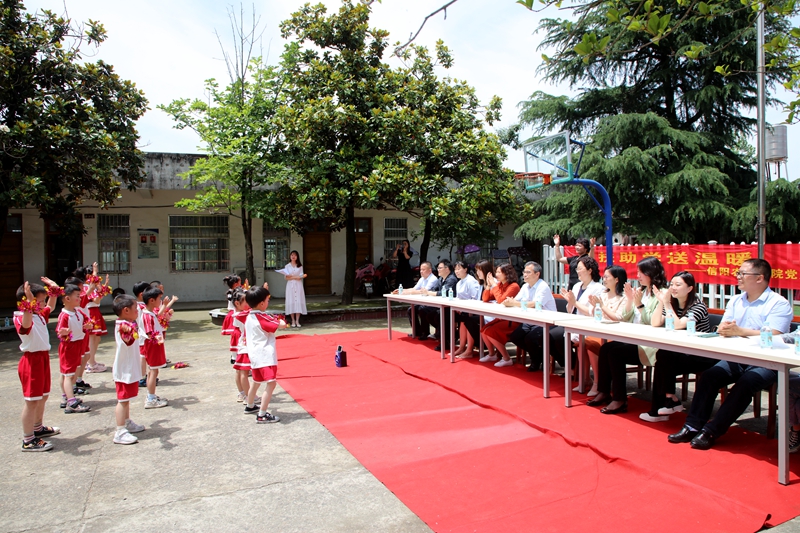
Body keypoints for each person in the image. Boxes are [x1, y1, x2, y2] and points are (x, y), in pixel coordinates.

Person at [668, 258, 793, 450]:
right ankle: (692, 426)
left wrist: (740, 331)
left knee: (746, 383)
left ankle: (711, 431)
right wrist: (724, 329)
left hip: (767, 361)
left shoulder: (778, 303)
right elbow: (724, 326)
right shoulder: (736, 300)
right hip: (736, 356)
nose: (738, 277)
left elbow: (775, 334)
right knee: (710, 376)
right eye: (738, 273)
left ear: (759, 278)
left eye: (742, 273)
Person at [589, 257, 668, 412]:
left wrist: (639, 304)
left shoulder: (662, 294)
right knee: (606, 349)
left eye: (641, 272)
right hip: (635, 338)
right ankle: (604, 391)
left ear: (651, 273)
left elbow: (653, 322)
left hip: (650, 343)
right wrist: (631, 300)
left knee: (615, 353)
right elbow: (626, 316)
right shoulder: (641, 291)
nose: (638, 276)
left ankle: (619, 399)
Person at [638, 271, 713, 422]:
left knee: (664, 358)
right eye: (671, 284)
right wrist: (661, 302)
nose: (673, 288)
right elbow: (655, 322)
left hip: (701, 355)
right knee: (663, 357)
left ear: (690, 288)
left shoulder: (698, 306)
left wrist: (666, 304)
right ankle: (668, 400)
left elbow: (678, 325)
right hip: (680, 352)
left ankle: (663, 406)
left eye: (678, 285)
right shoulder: (672, 304)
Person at [14, 278, 61, 451]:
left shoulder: (39, 314)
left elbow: (51, 306)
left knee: (43, 396)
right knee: (31, 401)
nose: (42, 304)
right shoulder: (22, 316)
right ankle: (28, 440)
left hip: (43, 358)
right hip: (31, 361)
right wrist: (28, 304)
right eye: (39, 301)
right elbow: (26, 326)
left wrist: (54, 289)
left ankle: (38, 428)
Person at [548, 256, 604, 375]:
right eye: (576, 269)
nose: (577, 271)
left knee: (558, 337)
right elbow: (570, 310)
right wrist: (569, 301)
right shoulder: (577, 286)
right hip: (573, 322)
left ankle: (575, 369)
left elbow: (592, 312)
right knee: (548, 336)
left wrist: (574, 302)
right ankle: (571, 365)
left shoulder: (598, 288)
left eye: (580, 269)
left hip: (587, 324)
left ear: (590, 270)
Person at [580, 265, 629, 396]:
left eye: (607, 277)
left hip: (617, 334)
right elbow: (593, 314)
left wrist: (601, 306)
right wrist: (593, 306)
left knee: (593, 344)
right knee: (585, 341)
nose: (604, 279)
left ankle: (599, 383)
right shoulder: (603, 294)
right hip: (601, 331)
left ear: (617, 279)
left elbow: (619, 318)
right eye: (604, 276)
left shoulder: (624, 297)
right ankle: (592, 380)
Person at [243, 285, 289, 423]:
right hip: (265, 355)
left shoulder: (249, 315)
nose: (268, 302)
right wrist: (281, 319)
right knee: (271, 383)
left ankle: (250, 405)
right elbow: (281, 325)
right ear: (262, 303)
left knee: (256, 382)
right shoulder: (261, 317)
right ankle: (262, 414)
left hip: (254, 355)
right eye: (267, 300)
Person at [506, 261, 557, 371]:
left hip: (545, 321)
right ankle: (539, 356)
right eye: (524, 272)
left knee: (530, 338)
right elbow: (516, 300)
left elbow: (535, 304)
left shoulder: (543, 286)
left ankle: (536, 361)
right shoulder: (525, 286)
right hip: (531, 320)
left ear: (537, 274)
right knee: (515, 337)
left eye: (528, 272)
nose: (525, 275)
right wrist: (510, 301)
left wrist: (514, 303)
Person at [110, 295, 146, 445]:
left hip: (129, 368)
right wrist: (128, 330)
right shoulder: (123, 326)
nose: (138, 311)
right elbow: (128, 340)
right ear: (126, 310)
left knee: (126, 400)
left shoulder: (128, 323)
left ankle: (126, 422)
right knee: (122, 400)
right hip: (124, 370)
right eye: (135, 308)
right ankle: (120, 431)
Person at [57, 285, 93, 414]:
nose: (80, 298)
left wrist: (88, 326)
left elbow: (88, 322)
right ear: (67, 298)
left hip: (78, 345)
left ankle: (67, 397)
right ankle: (71, 402)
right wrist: (64, 332)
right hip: (69, 347)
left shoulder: (78, 312)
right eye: (77, 296)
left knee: (71, 373)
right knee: (68, 374)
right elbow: (60, 331)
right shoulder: (64, 315)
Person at [479, 263, 521, 366]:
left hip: (513, 319)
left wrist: (494, 285)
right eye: (496, 272)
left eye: (499, 272)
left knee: (491, 331)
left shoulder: (514, 286)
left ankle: (506, 358)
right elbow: (485, 298)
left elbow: (501, 300)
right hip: (503, 318)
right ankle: (492, 354)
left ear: (507, 273)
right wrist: (489, 285)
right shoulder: (499, 285)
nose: (496, 274)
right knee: (483, 330)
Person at [393, 261, 441, 340]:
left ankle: (425, 332)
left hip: (431, 303)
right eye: (420, 270)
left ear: (430, 270)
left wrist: (407, 292)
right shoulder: (422, 279)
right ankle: (417, 331)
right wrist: (402, 290)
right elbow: (414, 289)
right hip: (423, 302)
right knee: (411, 309)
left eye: (423, 270)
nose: (421, 271)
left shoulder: (433, 279)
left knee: (422, 309)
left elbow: (423, 291)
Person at [419, 259, 459, 350]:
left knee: (439, 317)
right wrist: (428, 292)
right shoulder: (441, 278)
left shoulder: (451, 279)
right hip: (442, 305)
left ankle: (446, 341)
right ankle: (438, 333)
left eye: (440, 268)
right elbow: (434, 289)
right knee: (426, 312)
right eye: (438, 268)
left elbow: (444, 293)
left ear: (447, 269)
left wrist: (428, 292)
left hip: (451, 307)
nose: (438, 270)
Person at [140, 287, 168, 409]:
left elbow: (157, 315)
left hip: (153, 345)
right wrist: (158, 338)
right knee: (153, 371)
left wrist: (165, 305)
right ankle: (150, 398)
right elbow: (150, 332)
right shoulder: (147, 315)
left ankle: (151, 395)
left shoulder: (149, 313)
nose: (160, 301)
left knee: (152, 371)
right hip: (152, 346)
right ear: (151, 300)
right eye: (159, 299)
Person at [451, 261, 482, 359]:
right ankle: (461, 347)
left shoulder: (470, 281)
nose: (457, 271)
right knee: (461, 321)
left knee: (467, 320)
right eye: (455, 269)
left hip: (472, 309)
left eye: (459, 269)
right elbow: (458, 298)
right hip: (463, 309)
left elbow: (475, 298)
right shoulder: (459, 282)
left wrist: (465, 308)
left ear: (465, 269)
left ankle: (469, 350)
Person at [231, 288, 252, 402]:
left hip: (240, 342)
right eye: (246, 302)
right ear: (237, 303)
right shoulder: (240, 315)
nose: (249, 304)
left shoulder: (239, 313)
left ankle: (243, 393)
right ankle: (246, 394)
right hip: (241, 343)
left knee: (240, 370)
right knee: (241, 370)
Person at [132, 281, 151, 388]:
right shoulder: (141, 307)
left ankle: (143, 375)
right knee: (142, 357)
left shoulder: (136, 306)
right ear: (142, 294)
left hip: (142, 334)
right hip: (142, 335)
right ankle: (141, 377)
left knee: (143, 356)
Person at [284, 250, 308, 328]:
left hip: (298, 285)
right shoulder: (287, 266)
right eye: (292, 255)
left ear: (297, 257)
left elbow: (300, 277)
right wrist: (295, 277)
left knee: (298, 301)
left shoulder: (300, 266)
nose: (293, 256)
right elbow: (286, 277)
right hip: (290, 286)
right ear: (290, 256)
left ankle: (297, 320)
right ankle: (293, 320)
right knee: (291, 301)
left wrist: (292, 277)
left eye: (295, 255)